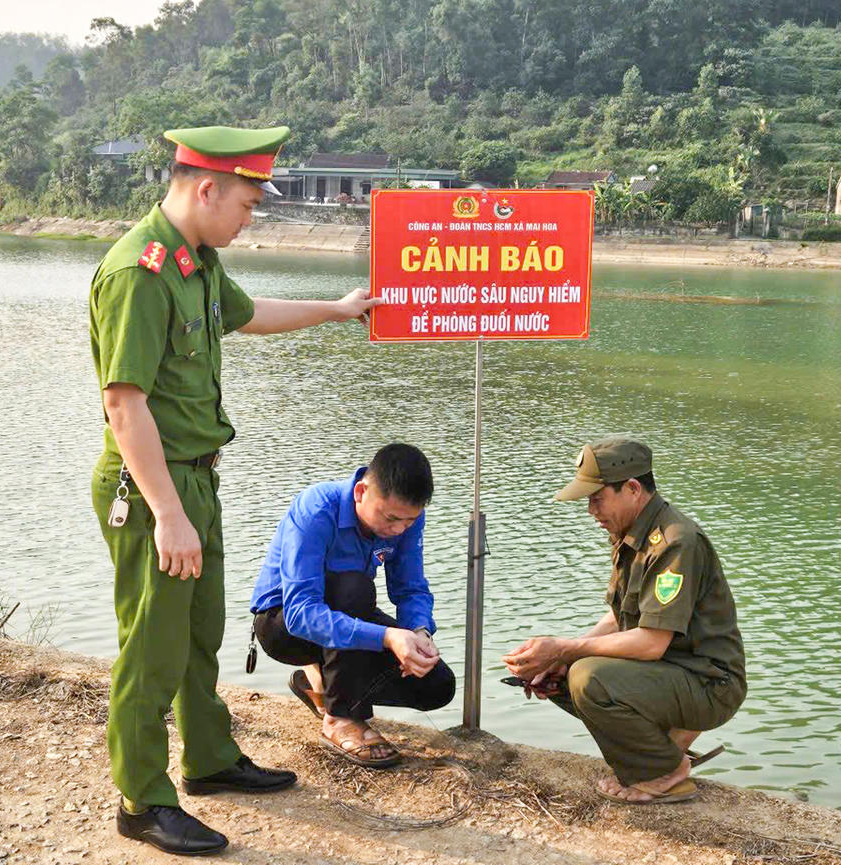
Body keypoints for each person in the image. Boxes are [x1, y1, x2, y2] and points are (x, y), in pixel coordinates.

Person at [89, 124, 381, 856]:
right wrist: (166, 514)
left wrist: (339, 309)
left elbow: (252, 316)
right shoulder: (141, 271)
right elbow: (124, 404)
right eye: (248, 203)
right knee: (151, 648)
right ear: (206, 188)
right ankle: (142, 799)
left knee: (198, 637)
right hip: (154, 488)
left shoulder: (199, 263)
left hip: (196, 482)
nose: (251, 218)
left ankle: (210, 760)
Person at [502, 436, 746, 805]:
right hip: (670, 673)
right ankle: (664, 751)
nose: (591, 510)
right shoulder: (631, 530)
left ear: (632, 488)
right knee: (563, 675)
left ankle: (665, 770)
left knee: (588, 678)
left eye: (597, 498)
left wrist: (567, 649)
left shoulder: (676, 542)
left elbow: (650, 642)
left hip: (710, 683)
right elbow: (620, 617)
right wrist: (558, 658)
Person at [249, 443, 456, 767]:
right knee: (354, 588)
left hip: (348, 613)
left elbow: (411, 587)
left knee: (436, 686)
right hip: (284, 624)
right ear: (361, 491)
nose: (398, 529)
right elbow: (301, 613)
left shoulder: (406, 519)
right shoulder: (316, 509)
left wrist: (418, 631)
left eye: (408, 521)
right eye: (391, 519)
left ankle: (321, 683)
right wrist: (388, 637)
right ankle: (339, 718)